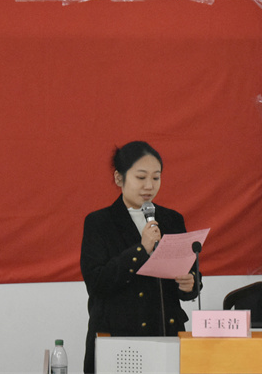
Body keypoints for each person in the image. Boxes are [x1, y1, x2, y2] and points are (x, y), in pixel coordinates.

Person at [80, 141, 200, 373]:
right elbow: (97, 282)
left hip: (166, 334)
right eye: (141, 177)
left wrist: (190, 283)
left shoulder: (172, 219)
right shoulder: (99, 222)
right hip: (119, 338)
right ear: (119, 178)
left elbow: (191, 274)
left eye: (156, 177)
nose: (149, 186)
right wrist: (141, 249)